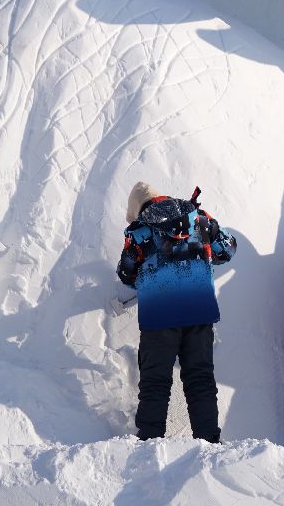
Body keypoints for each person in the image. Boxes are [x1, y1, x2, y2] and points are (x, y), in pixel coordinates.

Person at [116, 181, 237, 442]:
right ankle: (209, 444)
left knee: (155, 383)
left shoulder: (140, 231)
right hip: (199, 310)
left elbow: (126, 273)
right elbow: (228, 249)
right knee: (200, 380)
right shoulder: (199, 219)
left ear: (137, 208)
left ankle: (149, 443)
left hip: (159, 314)